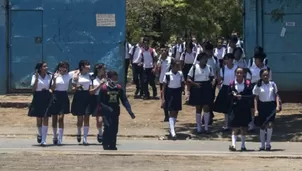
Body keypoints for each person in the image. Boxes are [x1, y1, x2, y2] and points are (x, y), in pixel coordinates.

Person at [98, 70, 135, 150]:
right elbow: (100, 102)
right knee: (108, 127)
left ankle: (112, 144)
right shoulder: (104, 88)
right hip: (106, 111)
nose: (115, 80)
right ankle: (105, 143)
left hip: (115, 111)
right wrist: (107, 109)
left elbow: (124, 100)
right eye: (114, 78)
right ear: (109, 78)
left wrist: (130, 111)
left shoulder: (118, 88)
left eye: (116, 78)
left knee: (114, 128)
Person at [253, 68, 281, 151]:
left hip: (271, 106)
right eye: (264, 75)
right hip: (262, 106)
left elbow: (276, 95)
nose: (265, 76)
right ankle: (262, 145)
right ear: (261, 76)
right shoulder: (257, 86)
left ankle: (268, 144)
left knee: (270, 125)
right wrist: (256, 110)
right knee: (262, 126)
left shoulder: (272, 84)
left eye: (267, 75)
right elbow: (255, 99)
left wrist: (278, 105)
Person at [187, 52, 215, 133]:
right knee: (198, 107)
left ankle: (206, 127)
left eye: (206, 58)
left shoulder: (209, 67)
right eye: (203, 58)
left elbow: (213, 77)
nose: (205, 60)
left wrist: (213, 81)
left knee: (206, 107)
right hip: (197, 87)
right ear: (200, 59)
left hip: (206, 87)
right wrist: (194, 84)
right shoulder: (194, 67)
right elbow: (188, 78)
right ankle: (199, 127)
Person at [49, 61, 75, 145]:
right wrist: (55, 79)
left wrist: (77, 76)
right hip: (55, 95)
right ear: (59, 67)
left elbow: (79, 71)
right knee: (54, 118)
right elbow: (52, 88)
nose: (64, 69)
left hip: (64, 95)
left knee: (61, 118)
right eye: (62, 67)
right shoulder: (54, 75)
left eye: (65, 67)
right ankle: (55, 136)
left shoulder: (69, 75)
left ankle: (60, 138)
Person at [228, 67, 253, 151]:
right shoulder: (232, 84)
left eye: (241, 73)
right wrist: (233, 95)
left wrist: (242, 97)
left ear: (244, 74)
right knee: (234, 127)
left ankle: (243, 145)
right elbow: (228, 96)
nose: (239, 74)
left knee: (244, 127)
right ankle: (233, 145)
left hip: (245, 108)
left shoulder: (248, 84)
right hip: (235, 108)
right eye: (237, 73)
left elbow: (251, 96)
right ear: (235, 74)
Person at [28, 62, 53, 146]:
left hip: (46, 96)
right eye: (44, 66)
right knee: (39, 118)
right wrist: (36, 79)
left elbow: (52, 86)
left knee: (46, 117)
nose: (46, 68)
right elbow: (33, 89)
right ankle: (40, 134)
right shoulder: (35, 76)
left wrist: (50, 90)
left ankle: (44, 139)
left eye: (46, 66)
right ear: (40, 68)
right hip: (38, 96)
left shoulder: (49, 76)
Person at [247, 52, 272, 132]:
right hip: (253, 87)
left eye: (261, 59)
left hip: (263, 87)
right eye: (257, 59)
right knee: (252, 107)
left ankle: (263, 124)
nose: (259, 61)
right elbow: (248, 79)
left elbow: (270, 81)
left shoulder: (267, 69)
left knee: (262, 106)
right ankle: (251, 124)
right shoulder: (251, 68)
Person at [162, 59, 185, 140]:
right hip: (170, 93)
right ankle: (172, 131)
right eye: (176, 66)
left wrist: (183, 90)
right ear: (172, 66)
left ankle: (172, 127)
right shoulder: (167, 75)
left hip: (177, 93)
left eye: (179, 66)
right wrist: (163, 99)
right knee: (172, 112)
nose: (178, 67)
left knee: (176, 111)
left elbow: (182, 83)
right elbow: (164, 88)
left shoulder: (180, 74)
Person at [214, 53, 237, 131]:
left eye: (227, 59)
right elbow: (220, 79)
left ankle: (235, 124)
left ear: (231, 59)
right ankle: (226, 125)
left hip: (235, 88)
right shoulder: (223, 69)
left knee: (235, 107)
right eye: (225, 59)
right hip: (226, 88)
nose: (225, 60)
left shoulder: (236, 68)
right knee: (226, 108)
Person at [71, 60, 92, 145]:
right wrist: (77, 86)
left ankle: (85, 138)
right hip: (79, 95)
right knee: (80, 118)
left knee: (87, 116)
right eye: (87, 65)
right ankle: (79, 132)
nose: (89, 66)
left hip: (87, 95)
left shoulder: (90, 75)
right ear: (82, 66)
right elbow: (72, 88)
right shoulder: (76, 75)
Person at [89, 63, 107, 143]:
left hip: (106, 99)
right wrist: (100, 85)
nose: (105, 70)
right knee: (99, 120)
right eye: (103, 69)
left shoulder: (108, 77)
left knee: (107, 119)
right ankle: (100, 133)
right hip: (97, 99)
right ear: (98, 70)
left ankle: (107, 134)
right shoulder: (93, 78)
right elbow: (91, 92)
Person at [157, 46, 172, 122]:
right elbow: (158, 69)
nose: (163, 52)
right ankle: (166, 115)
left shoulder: (170, 60)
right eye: (161, 50)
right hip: (162, 81)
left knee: (169, 97)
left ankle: (171, 113)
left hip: (169, 81)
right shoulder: (160, 60)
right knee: (163, 97)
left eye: (164, 50)